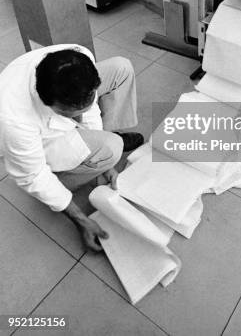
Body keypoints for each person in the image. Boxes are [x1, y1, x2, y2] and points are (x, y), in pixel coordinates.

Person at [0, 44, 143, 252]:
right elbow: (32, 175)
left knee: (122, 67)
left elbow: (89, 107)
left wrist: (103, 154)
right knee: (112, 148)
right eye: (68, 113)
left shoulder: (79, 56)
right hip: (42, 140)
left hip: (63, 101)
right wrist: (81, 220)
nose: (79, 114)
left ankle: (103, 144)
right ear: (50, 104)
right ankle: (65, 178)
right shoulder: (13, 120)